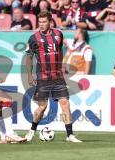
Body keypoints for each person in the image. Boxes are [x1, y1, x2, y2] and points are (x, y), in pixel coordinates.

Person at [25, 11, 82, 143]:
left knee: (65, 103)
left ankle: (70, 135)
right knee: (42, 107)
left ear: (50, 22)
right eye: (40, 22)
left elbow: (59, 52)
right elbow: (29, 57)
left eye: (44, 22)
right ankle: (32, 130)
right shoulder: (34, 38)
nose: (42, 25)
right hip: (43, 77)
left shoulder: (58, 35)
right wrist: (29, 74)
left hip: (58, 77)